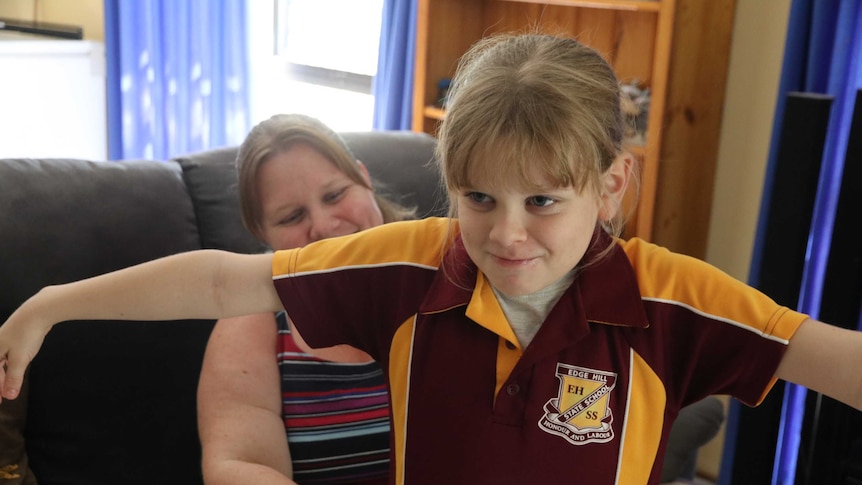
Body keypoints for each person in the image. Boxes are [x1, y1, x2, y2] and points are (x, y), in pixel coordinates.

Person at [2, 32, 861, 484]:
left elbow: (825, 354)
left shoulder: (671, 297)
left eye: (544, 201)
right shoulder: (407, 267)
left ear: (612, 185)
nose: (507, 234)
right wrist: (51, 302)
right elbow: (224, 278)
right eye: (479, 198)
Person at [197, 113, 414, 484]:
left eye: (335, 195)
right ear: (261, 232)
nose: (324, 227)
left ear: (363, 177)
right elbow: (239, 467)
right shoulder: (252, 321)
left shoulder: (444, 278)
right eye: (292, 216)